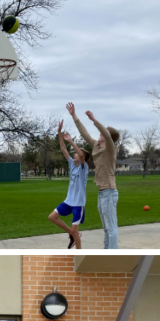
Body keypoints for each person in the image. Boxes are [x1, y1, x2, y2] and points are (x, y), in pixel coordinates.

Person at [67, 102, 119, 248]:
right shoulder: (96, 145)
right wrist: (74, 116)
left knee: (111, 228)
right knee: (106, 229)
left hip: (109, 191)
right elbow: (84, 133)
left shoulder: (111, 148)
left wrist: (94, 120)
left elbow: (107, 135)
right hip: (102, 193)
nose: (100, 134)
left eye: (102, 133)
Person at [49, 120, 89, 249]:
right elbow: (63, 149)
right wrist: (59, 133)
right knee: (52, 217)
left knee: (76, 231)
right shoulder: (72, 165)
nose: (74, 155)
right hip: (68, 202)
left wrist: (71, 141)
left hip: (78, 204)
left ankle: (79, 253)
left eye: (76, 154)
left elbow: (82, 156)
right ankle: (70, 233)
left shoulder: (84, 168)